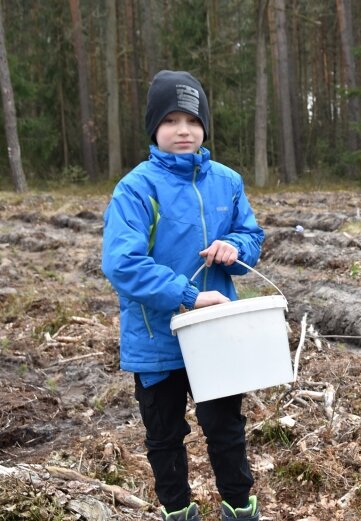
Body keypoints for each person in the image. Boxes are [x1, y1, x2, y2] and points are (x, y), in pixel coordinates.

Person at [102, 70, 264, 521]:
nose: (183, 130)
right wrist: (187, 296)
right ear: (154, 127)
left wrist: (236, 248)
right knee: (165, 437)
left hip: (216, 334)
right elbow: (122, 263)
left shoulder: (227, 182)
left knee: (227, 429)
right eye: (171, 120)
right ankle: (178, 512)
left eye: (192, 120)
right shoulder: (136, 188)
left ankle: (239, 509)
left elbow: (250, 233)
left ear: (204, 126)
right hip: (157, 339)